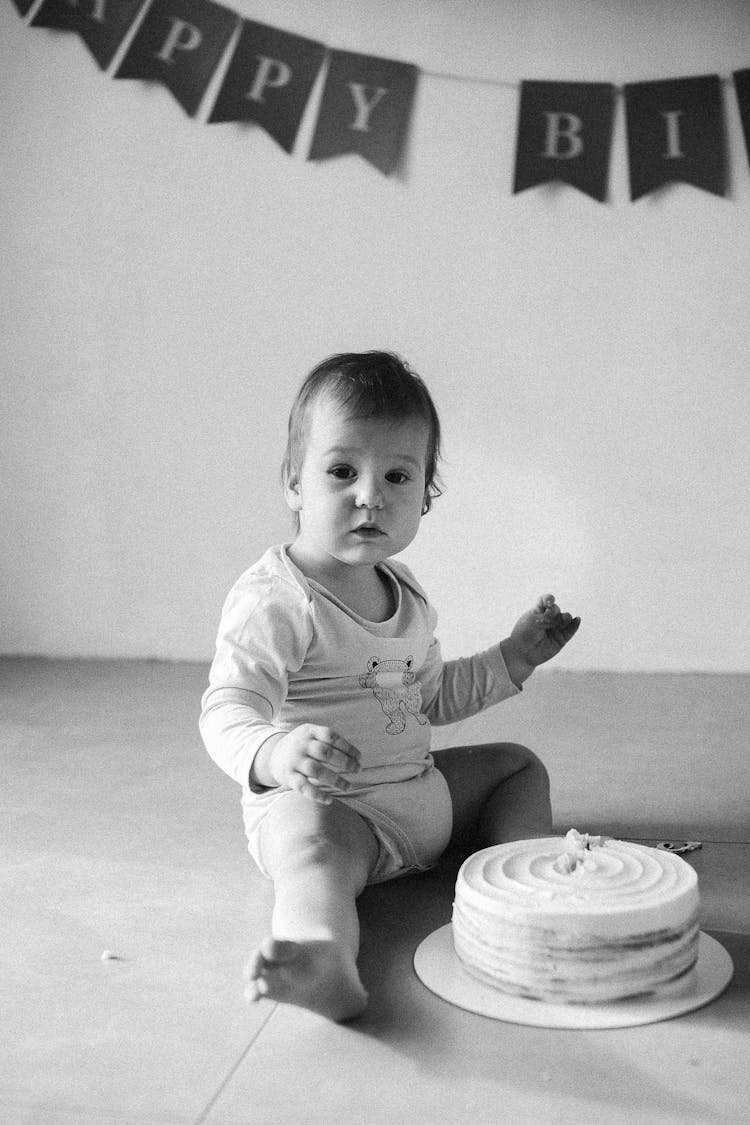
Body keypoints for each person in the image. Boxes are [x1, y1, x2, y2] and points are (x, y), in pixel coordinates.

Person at [200, 351, 580, 1021]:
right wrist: (274, 752)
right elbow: (228, 707)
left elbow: (428, 698)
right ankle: (323, 957)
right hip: (330, 808)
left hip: (419, 798)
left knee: (517, 766)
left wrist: (513, 656)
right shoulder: (278, 600)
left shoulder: (405, 593)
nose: (369, 494)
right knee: (313, 860)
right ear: (294, 482)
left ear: (424, 498)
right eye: (342, 470)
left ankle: (522, 883)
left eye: (396, 475)